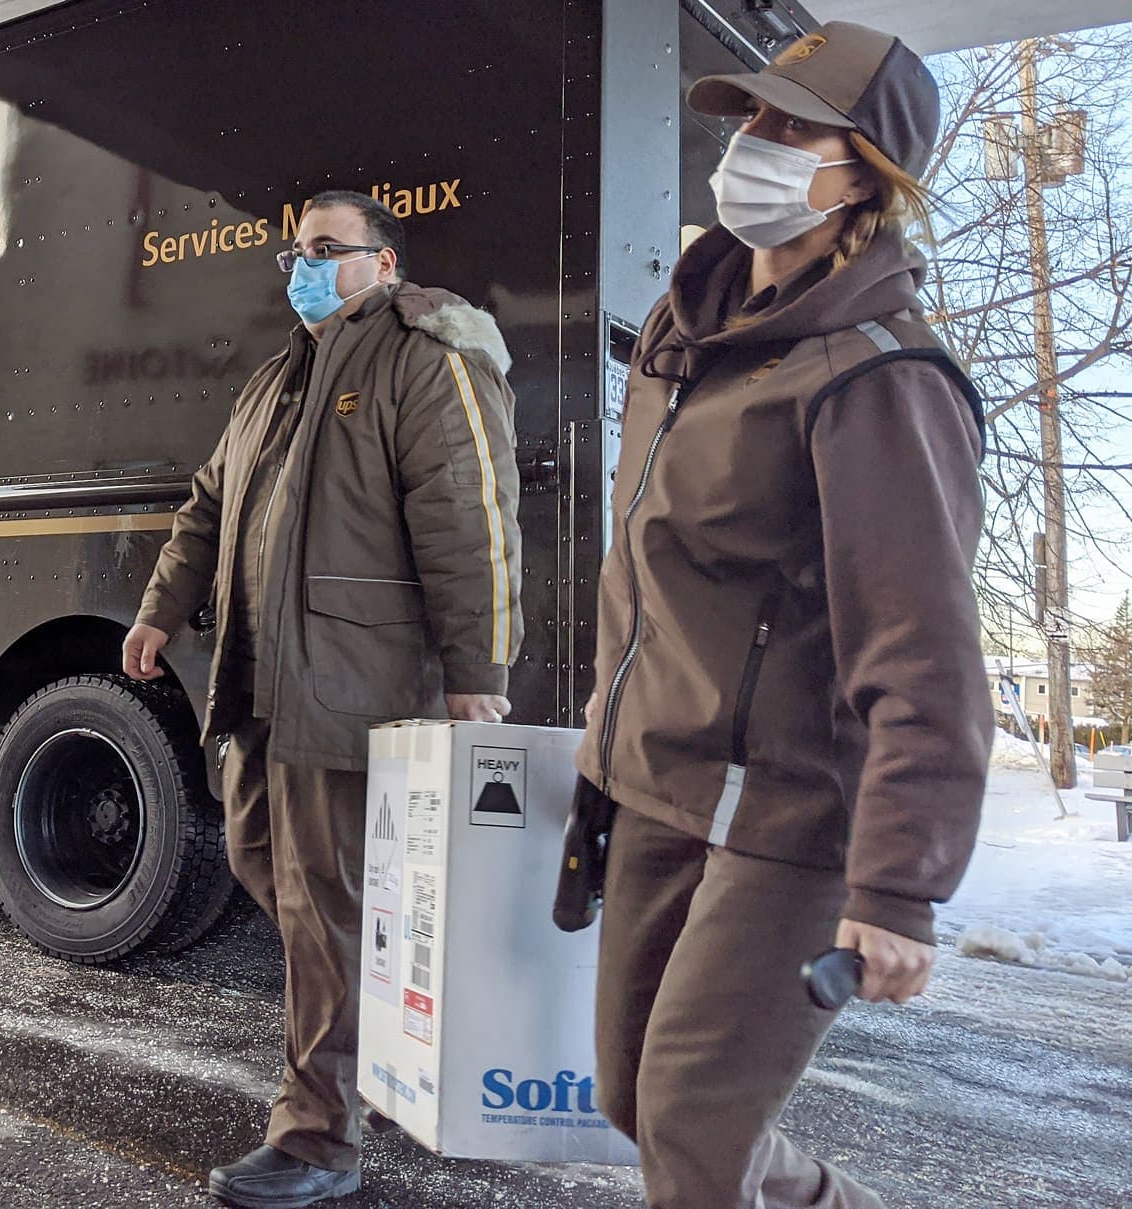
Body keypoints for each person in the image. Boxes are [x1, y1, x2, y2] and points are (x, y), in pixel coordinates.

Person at [572, 23, 990, 1208]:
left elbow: (921, 653)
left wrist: (898, 885)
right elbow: (642, 576)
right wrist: (604, 755)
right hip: (660, 783)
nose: (748, 141)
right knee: (629, 1105)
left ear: (863, 169)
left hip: (789, 811)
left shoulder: (879, 376)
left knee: (693, 1133)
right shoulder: (681, 342)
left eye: (790, 125)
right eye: (748, 115)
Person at [125, 190, 522, 1208]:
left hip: (358, 683)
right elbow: (207, 503)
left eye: (323, 249)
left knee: (323, 903)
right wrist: (160, 610)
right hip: (265, 682)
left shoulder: (422, 352)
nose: (300, 266)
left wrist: (476, 673)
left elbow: (467, 517)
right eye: (293, 252)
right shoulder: (279, 375)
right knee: (267, 865)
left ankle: (316, 1136)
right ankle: (375, 1061)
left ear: (381, 263)